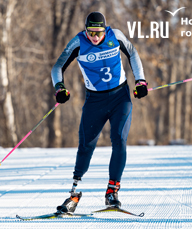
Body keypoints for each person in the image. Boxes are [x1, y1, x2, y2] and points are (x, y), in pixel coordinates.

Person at [51, 11, 148, 213]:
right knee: (86, 146)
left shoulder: (116, 36)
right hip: (94, 100)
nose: (95, 37)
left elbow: (133, 53)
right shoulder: (78, 43)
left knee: (119, 139)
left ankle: (112, 191)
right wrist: (59, 87)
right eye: (91, 32)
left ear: (105, 30)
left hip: (120, 97)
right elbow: (58, 66)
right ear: (85, 30)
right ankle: (74, 194)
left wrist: (140, 81)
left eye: (99, 33)